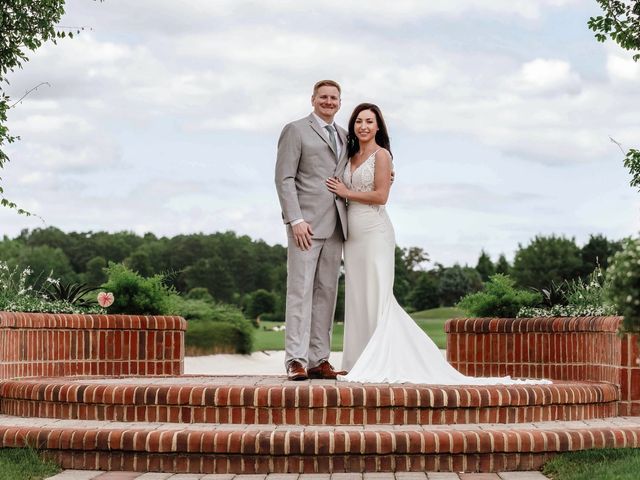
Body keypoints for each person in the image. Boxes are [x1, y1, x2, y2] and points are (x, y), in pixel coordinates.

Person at [326, 103, 550, 385]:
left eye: (369, 121)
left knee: (377, 296)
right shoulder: (350, 155)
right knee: (358, 297)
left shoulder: (382, 156)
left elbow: (382, 196)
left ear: (378, 126)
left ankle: (378, 359)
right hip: (353, 236)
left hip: (374, 231)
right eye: (359, 121)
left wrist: (347, 192)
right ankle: (356, 361)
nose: (363, 127)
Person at [274, 80, 349, 381]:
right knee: (300, 292)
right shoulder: (295, 130)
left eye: (334, 98)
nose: (329, 102)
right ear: (313, 99)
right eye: (323, 97)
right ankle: (295, 359)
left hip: (336, 225)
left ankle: (319, 359)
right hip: (305, 225)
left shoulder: (344, 136)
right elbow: (284, 178)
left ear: (340, 102)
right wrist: (295, 219)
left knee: (326, 294)